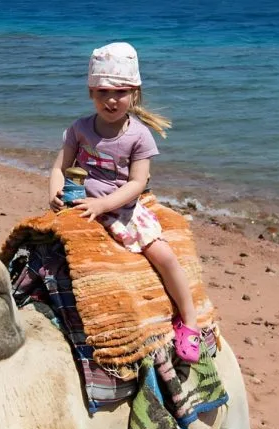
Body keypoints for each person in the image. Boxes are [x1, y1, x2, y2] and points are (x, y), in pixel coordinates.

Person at [48, 42, 201, 363]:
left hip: (121, 208)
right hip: (80, 204)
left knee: (163, 254)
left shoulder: (139, 136)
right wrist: (55, 192)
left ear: (135, 93)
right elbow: (60, 168)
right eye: (103, 91)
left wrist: (103, 206)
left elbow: (137, 183)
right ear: (91, 92)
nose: (111, 99)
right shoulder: (79, 129)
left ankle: (189, 321)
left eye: (120, 91)